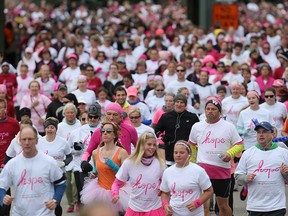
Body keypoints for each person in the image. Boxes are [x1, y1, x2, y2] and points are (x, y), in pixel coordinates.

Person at [188, 96, 244, 216]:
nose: (210, 111)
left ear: (219, 111)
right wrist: (191, 165)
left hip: (221, 171)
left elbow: (239, 145)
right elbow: (191, 146)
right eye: (208, 109)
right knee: (204, 206)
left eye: (213, 109)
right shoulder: (197, 126)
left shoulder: (228, 126)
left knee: (223, 206)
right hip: (202, 171)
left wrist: (230, 153)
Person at [0, 126, 66, 216]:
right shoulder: (12, 164)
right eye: (24, 139)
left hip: (44, 213)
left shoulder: (49, 162)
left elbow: (61, 183)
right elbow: (1, 186)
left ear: (36, 141)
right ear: (20, 141)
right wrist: (3, 197)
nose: (27, 143)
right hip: (19, 213)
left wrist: (55, 200)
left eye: (30, 139)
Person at [235, 121, 288, 216]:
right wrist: (246, 178)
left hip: (277, 206)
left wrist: (285, 174)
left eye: (265, 131)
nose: (261, 134)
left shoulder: (283, 153)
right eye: (259, 132)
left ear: (273, 134)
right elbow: (238, 177)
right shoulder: (248, 153)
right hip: (255, 206)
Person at [111, 132, 166, 216]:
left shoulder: (160, 163)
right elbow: (116, 183)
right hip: (135, 208)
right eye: (149, 144)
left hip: (154, 208)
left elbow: (166, 183)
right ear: (141, 145)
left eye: (154, 145)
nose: (152, 147)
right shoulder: (129, 163)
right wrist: (115, 194)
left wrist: (161, 187)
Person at [80, 122, 129, 213]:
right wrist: (93, 174)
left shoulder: (122, 152)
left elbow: (127, 176)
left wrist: (113, 165)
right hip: (100, 191)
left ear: (115, 135)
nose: (105, 133)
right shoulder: (95, 152)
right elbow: (97, 169)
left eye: (109, 131)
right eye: (103, 131)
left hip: (119, 193)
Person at [160, 140, 213, 216]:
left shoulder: (198, 171)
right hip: (175, 213)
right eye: (176, 152)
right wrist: (165, 204)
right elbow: (165, 192)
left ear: (189, 154)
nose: (178, 155)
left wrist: (197, 203)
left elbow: (209, 191)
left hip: (195, 213)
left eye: (182, 152)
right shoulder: (168, 172)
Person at [81, 103, 138, 174]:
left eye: (115, 115)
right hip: (104, 172)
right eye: (109, 114)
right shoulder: (98, 132)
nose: (111, 118)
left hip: (124, 170)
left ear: (121, 117)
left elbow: (139, 149)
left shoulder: (130, 130)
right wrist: (83, 162)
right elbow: (88, 152)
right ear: (105, 115)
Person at [38, 117, 72, 216]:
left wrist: (64, 163)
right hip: (44, 176)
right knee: (46, 202)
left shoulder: (62, 142)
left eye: (52, 127)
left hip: (59, 176)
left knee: (56, 201)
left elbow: (70, 156)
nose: (50, 129)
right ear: (45, 128)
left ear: (56, 129)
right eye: (48, 127)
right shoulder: (39, 142)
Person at [68, 103, 102, 205]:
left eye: (95, 117)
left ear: (99, 117)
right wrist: (76, 149)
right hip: (80, 167)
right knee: (83, 196)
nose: (92, 119)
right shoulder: (77, 132)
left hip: (99, 166)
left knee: (98, 197)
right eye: (90, 116)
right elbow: (68, 150)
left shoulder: (104, 129)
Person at [155, 94, 199, 166]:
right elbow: (157, 129)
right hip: (169, 153)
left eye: (182, 102)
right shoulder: (166, 116)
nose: (179, 104)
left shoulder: (192, 117)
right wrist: (162, 136)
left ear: (185, 105)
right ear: (174, 103)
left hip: (187, 154)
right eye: (177, 102)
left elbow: (199, 132)